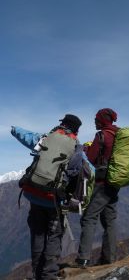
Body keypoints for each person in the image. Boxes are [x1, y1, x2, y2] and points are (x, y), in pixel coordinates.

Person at [12, 114, 83, 280]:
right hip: (53, 199)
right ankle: (48, 275)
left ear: (62, 124)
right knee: (54, 236)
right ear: (76, 130)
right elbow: (78, 172)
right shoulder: (76, 148)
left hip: (33, 193)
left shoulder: (45, 138)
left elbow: (25, 137)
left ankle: (37, 273)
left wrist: (14, 129)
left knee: (37, 234)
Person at [75, 108, 120, 267]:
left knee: (89, 218)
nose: (94, 121)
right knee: (110, 221)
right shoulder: (119, 135)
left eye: (96, 119)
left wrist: (86, 149)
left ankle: (83, 259)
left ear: (102, 120)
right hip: (115, 182)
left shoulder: (102, 135)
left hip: (101, 184)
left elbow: (91, 158)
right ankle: (110, 259)